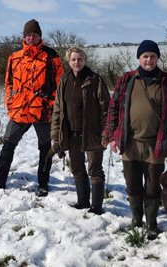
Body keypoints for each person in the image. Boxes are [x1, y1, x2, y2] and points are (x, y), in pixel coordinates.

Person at [106, 40, 167, 239]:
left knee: (152, 187)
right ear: (139, 58)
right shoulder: (126, 80)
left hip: (156, 145)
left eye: (152, 56)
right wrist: (112, 136)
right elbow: (113, 109)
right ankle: (136, 218)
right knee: (132, 185)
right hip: (129, 142)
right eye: (145, 56)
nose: (149, 60)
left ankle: (151, 223)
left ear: (158, 58)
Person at [0, 19, 64, 197]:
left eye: (35, 35)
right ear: (24, 37)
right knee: (8, 145)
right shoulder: (14, 57)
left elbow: (59, 84)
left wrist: (52, 104)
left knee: (45, 150)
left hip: (43, 110)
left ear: (40, 36)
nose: (31, 38)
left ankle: (43, 184)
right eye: (28, 35)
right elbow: (8, 82)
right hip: (19, 110)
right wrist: (10, 101)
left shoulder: (51, 56)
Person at [50, 47, 111, 215]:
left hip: (92, 133)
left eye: (80, 59)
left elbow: (106, 108)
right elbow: (57, 111)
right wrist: (55, 135)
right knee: (77, 169)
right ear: (68, 62)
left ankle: (96, 207)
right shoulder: (64, 81)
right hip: (71, 134)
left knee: (95, 170)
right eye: (73, 59)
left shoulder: (95, 80)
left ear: (85, 60)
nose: (77, 62)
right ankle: (83, 202)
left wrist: (106, 133)